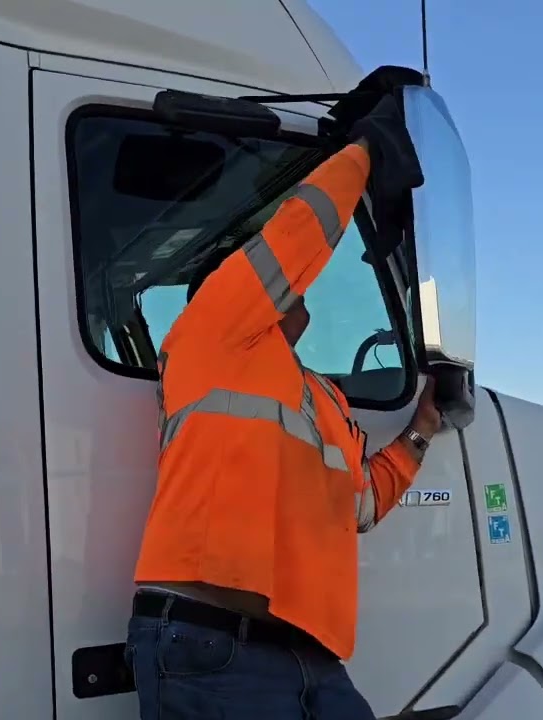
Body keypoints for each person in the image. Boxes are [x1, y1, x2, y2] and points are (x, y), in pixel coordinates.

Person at [123, 94, 440, 720]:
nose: (292, 282)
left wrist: (424, 428)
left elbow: (359, 505)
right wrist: (363, 153)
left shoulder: (317, 395)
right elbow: (297, 238)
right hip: (214, 649)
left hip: (310, 659)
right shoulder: (209, 331)